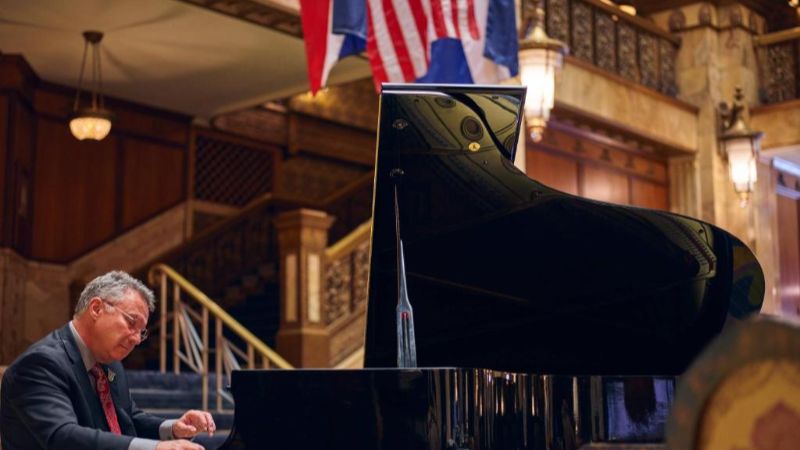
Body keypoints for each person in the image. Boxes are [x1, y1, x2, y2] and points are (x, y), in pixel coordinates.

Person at [0, 271, 216, 450]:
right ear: (96, 308)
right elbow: (63, 437)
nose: (136, 339)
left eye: (141, 332)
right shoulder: (41, 363)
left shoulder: (110, 363)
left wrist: (173, 429)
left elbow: (128, 417)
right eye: (131, 322)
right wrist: (156, 448)